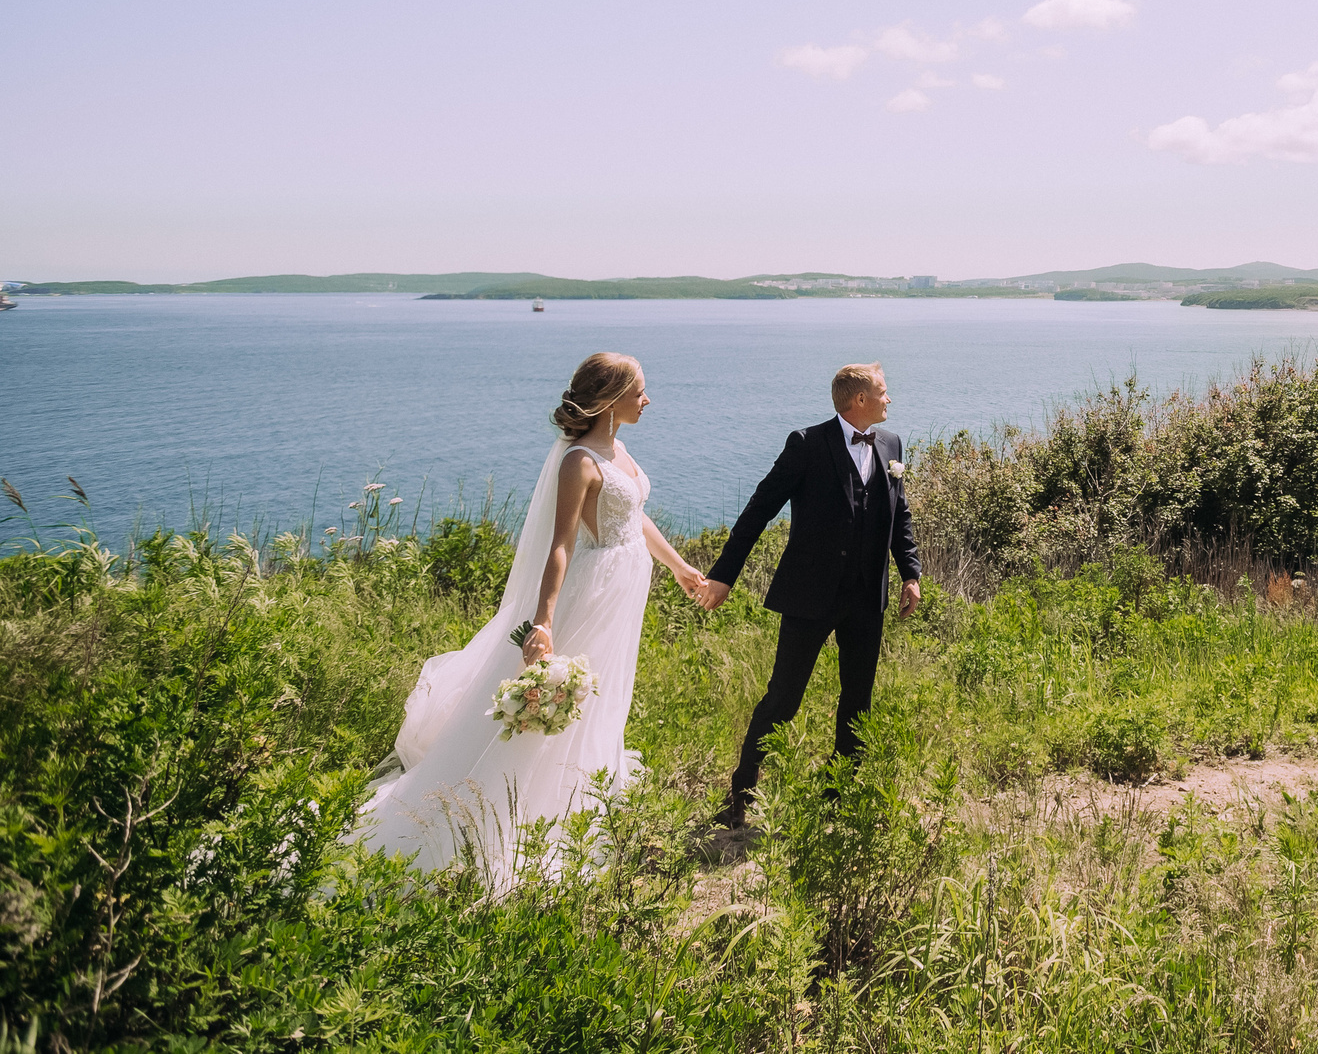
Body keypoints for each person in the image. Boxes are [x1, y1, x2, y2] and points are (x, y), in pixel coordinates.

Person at [358, 352, 711, 887]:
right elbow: (561, 546)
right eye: (640, 390)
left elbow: (634, 519)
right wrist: (544, 621)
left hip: (626, 589)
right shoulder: (579, 462)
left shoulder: (618, 449)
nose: (648, 399)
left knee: (608, 693)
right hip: (592, 592)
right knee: (572, 698)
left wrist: (681, 567)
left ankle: (587, 798)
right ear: (611, 399)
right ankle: (519, 810)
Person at [701, 361, 922, 830]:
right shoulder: (806, 444)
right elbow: (759, 508)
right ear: (858, 399)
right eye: (883, 392)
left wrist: (910, 572)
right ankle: (742, 792)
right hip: (809, 595)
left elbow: (898, 514)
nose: (889, 399)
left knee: (857, 698)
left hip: (866, 597)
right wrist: (724, 574)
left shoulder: (891, 444)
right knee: (784, 697)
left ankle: (841, 795)